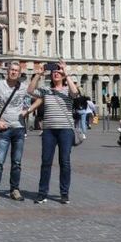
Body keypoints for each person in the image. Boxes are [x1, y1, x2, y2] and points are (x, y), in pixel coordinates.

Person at [28, 61, 80, 204]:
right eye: (53, 72)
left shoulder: (67, 90)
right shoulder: (46, 90)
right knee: (46, 162)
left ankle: (64, 193)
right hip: (49, 131)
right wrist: (38, 75)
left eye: (58, 72)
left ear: (62, 75)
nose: (56, 73)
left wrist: (66, 73)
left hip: (65, 131)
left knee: (65, 162)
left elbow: (75, 93)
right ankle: (42, 193)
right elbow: (30, 91)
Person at [0, 60, 35, 203]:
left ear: (20, 74)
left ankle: (15, 189)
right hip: (4, 129)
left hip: (19, 129)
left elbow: (39, 98)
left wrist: (28, 110)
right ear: (7, 71)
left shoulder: (24, 87)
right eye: (11, 70)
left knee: (17, 162)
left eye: (16, 70)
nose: (13, 72)